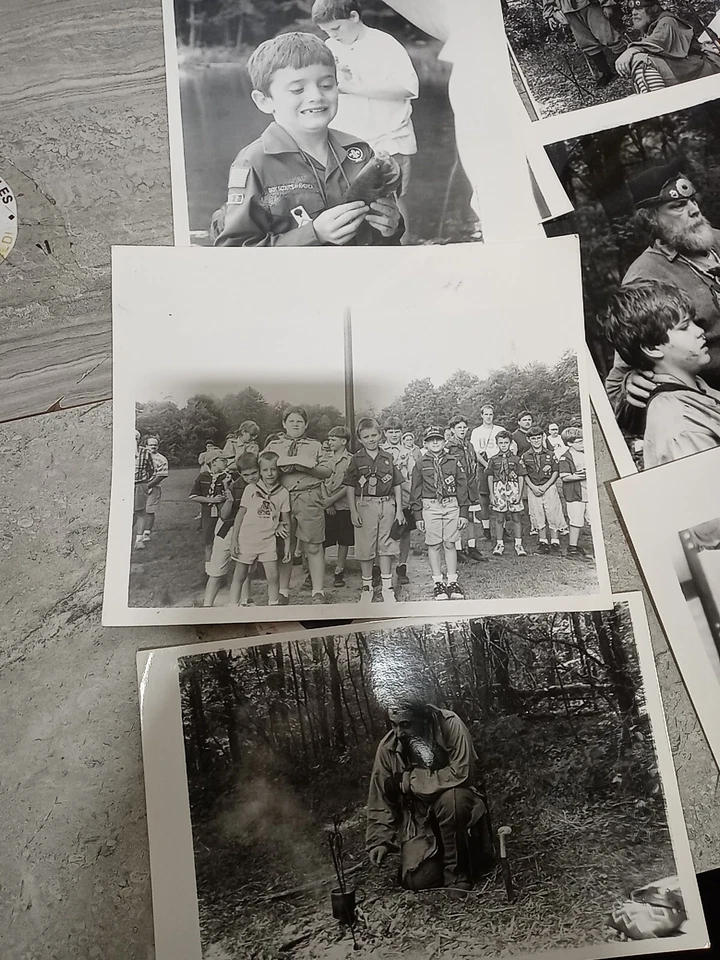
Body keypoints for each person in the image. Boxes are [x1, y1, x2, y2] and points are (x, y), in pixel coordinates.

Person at [212, 32, 403, 248]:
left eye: (326, 85)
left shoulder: (360, 153)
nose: (316, 96)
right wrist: (314, 234)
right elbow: (234, 250)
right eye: (297, 90)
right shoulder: (254, 162)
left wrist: (391, 227)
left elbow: (386, 242)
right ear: (264, 101)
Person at [606, 160, 720, 429]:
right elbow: (617, 382)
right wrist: (629, 383)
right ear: (651, 218)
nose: (694, 210)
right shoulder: (645, 277)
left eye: (692, 200)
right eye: (678, 205)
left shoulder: (717, 239)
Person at [312, 0, 419, 234]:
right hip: (346, 144)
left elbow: (408, 88)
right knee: (347, 202)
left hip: (389, 140)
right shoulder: (329, 47)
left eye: (336, 28)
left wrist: (352, 88)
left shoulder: (385, 45)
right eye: (326, 31)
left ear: (354, 17)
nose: (332, 35)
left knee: (392, 202)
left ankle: (403, 248)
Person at [366, 702, 486, 892]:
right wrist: (379, 841)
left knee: (453, 800)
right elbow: (380, 798)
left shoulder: (450, 725)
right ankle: (443, 854)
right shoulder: (388, 747)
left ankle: (457, 875)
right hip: (419, 818)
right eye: (393, 724)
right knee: (417, 881)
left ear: (424, 717)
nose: (399, 733)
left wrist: (410, 781)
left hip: (455, 803)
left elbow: (462, 773)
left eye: (406, 725)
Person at [603, 280, 720, 466]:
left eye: (693, 322)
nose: (699, 331)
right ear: (652, 348)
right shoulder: (681, 426)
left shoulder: (696, 388)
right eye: (684, 327)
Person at [264, 406, 332, 604]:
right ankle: (283, 591)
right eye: (291, 421)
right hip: (280, 498)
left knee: (314, 545)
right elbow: (263, 469)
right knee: (285, 544)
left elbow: (327, 471)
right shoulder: (273, 446)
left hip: (308, 496)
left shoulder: (315, 445)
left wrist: (306, 467)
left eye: (300, 421)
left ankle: (317, 591)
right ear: (284, 424)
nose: (295, 424)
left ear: (306, 424)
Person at [344, 417, 405, 603]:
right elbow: (350, 486)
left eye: (374, 435)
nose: (371, 439)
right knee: (365, 546)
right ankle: (367, 586)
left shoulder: (387, 457)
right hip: (365, 505)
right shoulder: (356, 459)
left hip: (386, 504)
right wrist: (353, 511)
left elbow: (397, 484)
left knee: (386, 545)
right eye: (366, 436)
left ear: (380, 435)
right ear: (360, 439)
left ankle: (387, 586)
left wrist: (399, 510)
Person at [410, 425, 469, 601]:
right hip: (431, 506)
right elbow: (415, 490)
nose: (435, 442)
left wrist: (463, 512)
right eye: (431, 440)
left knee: (450, 543)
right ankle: (438, 582)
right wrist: (418, 515)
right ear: (425, 443)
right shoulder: (420, 463)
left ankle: (452, 581)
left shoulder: (453, 461)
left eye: (438, 439)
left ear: (444, 441)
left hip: (451, 505)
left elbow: (462, 486)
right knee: (434, 544)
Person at [615, 0, 720, 94]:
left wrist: (630, 51)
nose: (634, 13)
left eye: (639, 8)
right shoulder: (651, 29)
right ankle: (654, 101)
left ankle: (659, 105)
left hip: (701, 70)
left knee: (640, 60)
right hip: (687, 71)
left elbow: (656, 42)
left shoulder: (667, 21)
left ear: (652, 9)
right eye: (633, 9)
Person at [229, 451, 292, 606]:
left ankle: (273, 605)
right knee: (240, 575)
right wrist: (234, 540)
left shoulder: (283, 493)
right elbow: (240, 516)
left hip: (267, 541)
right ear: (260, 470)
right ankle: (233, 608)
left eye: (273, 469)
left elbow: (286, 520)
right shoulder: (251, 489)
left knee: (273, 576)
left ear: (279, 470)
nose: (269, 474)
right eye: (265, 470)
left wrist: (287, 546)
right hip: (247, 540)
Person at [203, 452, 260, 607]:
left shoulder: (263, 486)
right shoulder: (232, 486)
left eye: (254, 473)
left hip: (249, 531)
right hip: (227, 529)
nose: (251, 477)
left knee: (246, 568)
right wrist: (229, 499)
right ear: (240, 473)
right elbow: (223, 515)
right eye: (246, 475)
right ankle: (207, 606)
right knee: (217, 571)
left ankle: (245, 601)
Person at [542, 0, 626, 87]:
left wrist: (606, 3)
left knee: (607, 35)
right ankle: (605, 72)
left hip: (589, 4)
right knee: (586, 42)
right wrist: (549, 14)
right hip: (568, 9)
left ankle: (627, 64)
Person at [380, 416, 417, 587]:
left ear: (401, 432)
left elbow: (413, 474)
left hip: (404, 496)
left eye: (397, 431)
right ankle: (379, 568)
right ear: (385, 433)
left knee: (405, 532)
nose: (394, 435)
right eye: (390, 431)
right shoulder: (380, 450)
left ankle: (402, 566)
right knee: (383, 532)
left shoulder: (407, 451)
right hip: (385, 496)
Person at [445, 414, 484, 562]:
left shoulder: (469, 445)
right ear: (452, 429)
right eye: (458, 427)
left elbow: (473, 464)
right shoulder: (449, 446)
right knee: (458, 517)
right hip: (457, 486)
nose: (462, 430)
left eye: (464, 427)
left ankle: (472, 548)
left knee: (471, 517)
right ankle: (458, 549)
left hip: (471, 485)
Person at [521, 426, 564, 555]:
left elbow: (555, 471)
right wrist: (533, 487)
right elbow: (524, 474)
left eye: (538, 438)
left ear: (543, 438)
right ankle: (543, 541)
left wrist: (546, 486)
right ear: (528, 440)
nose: (536, 441)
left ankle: (555, 541)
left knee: (552, 512)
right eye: (533, 439)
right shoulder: (525, 456)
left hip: (548, 487)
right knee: (537, 513)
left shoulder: (550, 454)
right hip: (533, 488)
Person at [321, 425, 355, 587]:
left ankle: (339, 570)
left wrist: (333, 500)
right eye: (329, 439)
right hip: (326, 505)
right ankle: (316, 571)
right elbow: (320, 481)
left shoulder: (351, 460)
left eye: (333, 439)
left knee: (343, 540)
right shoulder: (324, 458)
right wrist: (327, 501)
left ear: (343, 441)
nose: (330, 442)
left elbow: (349, 485)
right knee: (322, 539)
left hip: (343, 505)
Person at [486, 430, 527, 557]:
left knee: (516, 517)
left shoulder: (516, 459)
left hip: (513, 489)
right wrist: (492, 495)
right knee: (499, 518)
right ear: (497, 443)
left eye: (506, 443)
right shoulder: (493, 460)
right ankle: (499, 544)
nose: (503, 445)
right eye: (501, 443)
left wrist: (519, 494)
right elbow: (490, 477)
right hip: (499, 489)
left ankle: (518, 544)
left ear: (510, 443)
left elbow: (521, 476)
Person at [470, 404, 506, 543]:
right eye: (486, 414)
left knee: (502, 494)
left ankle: (502, 528)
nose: (488, 417)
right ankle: (486, 529)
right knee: (484, 497)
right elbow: (476, 452)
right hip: (483, 465)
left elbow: (506, 446)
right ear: (482, 415)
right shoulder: (476, 432)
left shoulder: (500, 429)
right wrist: (486, 465)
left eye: (491, 414)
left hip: (499, 464)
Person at [189, 454, 232, 564]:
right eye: (222, 460)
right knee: (208, 540)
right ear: (213, 462)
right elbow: (193, 496)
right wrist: (211, 500)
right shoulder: (202, 477)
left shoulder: (227, 477)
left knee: (223, 539)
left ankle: (221, 565)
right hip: (208, 513)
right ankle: (208, 567)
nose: (226, 462)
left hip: (224, 512)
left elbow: (231, 496)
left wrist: (226, 486)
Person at [558, 428, 591, 559]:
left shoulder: (586, 454)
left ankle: (599, 545)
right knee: (576, 520)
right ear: (569, 443)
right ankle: (572, 547)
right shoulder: (565, 457)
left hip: (588, 492)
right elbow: (565, 477)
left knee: (593, 519)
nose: (583, 444)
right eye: (579, 442)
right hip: (575, 494)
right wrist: (582, 475)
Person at [140, 436, 169, 542]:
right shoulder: (140, 456)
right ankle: (136, 531)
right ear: (146, 446)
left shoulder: (161, 459)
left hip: (154, 487)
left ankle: (147, 533)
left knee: (149, 510)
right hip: (139, 486)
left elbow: (161, 476)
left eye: (155, 445)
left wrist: (147, 486)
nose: (153, 447)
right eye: (151, 445)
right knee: (138, 509)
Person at [133, 430, 154, 552]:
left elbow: (151, 469)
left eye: (136, 438)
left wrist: (146, 483)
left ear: (139, 440)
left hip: (140, 484)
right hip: (124, 485)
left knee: (140, 511)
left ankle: (139, 540)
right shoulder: (120, 451)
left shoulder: (145, 452)